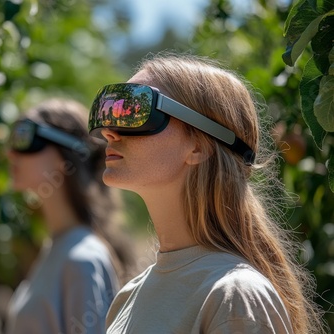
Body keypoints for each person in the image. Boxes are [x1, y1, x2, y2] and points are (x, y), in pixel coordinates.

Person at [87, 52, 325, 334]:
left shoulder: (235, 297)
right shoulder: (128, 296)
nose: (109, 132)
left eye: (137, 110)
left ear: (199, 146)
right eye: (110, 111)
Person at [5, 98, 133, 334]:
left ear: (65, 154)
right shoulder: (58, 247)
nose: (10, 152)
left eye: (24, 135)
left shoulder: (83, 258)